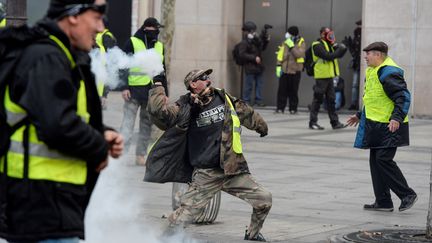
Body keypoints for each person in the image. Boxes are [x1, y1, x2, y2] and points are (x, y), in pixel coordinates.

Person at [0, 0, 124, 242]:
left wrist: (101, 132)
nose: (101, 28)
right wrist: (98, 145)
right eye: (97, 17)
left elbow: (61, 115)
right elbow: (57, 125)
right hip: (39, 205)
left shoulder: (61, 54)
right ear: (73, 16)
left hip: (51, 202)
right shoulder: (47, 56)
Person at [146, 69, 272, 241]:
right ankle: (161, 238)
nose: (208, 80)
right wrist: (158, 86)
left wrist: (261, 127)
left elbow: (247, 112)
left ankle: (252, 234)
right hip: (206, 174)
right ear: (193, 84)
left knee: (264, 199)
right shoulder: (184, 107)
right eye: (203, 78)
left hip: (232, 169)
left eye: (208, 77)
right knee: (184, 214)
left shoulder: (225, 99)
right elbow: (159, 113)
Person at [347, 42, 417, 212]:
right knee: (375, 162)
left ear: (378, 55)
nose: (365, 57)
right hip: (375, 125)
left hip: (390, 126)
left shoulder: (389, 72)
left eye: (368, 54)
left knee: (383, 160)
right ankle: (383, 201)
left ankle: (407, 194)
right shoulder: (373, 71)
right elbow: (373, 98)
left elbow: (403, 96)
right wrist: (359, 115)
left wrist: (397, 118)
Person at [119, 17, 168, 166]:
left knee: (146, 125)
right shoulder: (132, 42)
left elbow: (162, 71)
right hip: (133, 91)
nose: (157, 32)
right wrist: (124, 87)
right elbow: (123, 66)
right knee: (127, 124)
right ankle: (119, 154)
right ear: (147, 28)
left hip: (151, 93)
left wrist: (164, 92)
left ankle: (140, 155)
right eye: (155, 29)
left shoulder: (159, 46)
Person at [308, 27, 347, 130]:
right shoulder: (317, 45)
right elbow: (328, 56)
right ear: (321, 34)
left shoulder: (329, 44)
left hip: (330, 76)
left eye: (330, 34)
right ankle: (313, 122)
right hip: (321, 76)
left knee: (331, 100)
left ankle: (335, 123)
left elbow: (337, 54)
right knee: (318, 99)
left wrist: (343, 48)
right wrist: (340, 50)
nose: (329, 36)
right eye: (327, 34)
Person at [238, 21, 270, 106]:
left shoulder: (256, 40)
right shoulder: (244, 42)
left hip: (259, 66)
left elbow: (262, 48)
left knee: (259, 85)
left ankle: (258, 101)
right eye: (252, 31)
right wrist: (254, 58)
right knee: (249, 85)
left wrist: (266, 40)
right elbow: (242, 54)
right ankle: (246, 101)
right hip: (250, 67)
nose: (254, 33)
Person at [275, 26, 306, 114]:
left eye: (289, 33)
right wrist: (278, 66)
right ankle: (280, 108)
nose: (287, 34)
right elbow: (280, 54)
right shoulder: (285, 42)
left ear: (293, 34)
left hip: (295, 70)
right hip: (285, 69)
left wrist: (292, 47)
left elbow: (299, 54)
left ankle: (293, 108)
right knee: (282, 90)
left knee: (293, 90)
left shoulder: (301, 42)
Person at [95, 16, 117, 109]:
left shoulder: (106, 36)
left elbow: (110, 59)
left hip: (102, 72)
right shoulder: (98, 34)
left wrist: (104, 94)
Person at [345, 20, 362, 110]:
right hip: (356, 63)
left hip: (363, 63)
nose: (358, 28)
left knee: (360, 85)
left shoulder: (363, 36)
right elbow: (353, 52)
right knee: (355, 85)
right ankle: (353, 103)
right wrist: (350, 45)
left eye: (360, 25)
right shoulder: (356, 35)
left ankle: (358, 104)